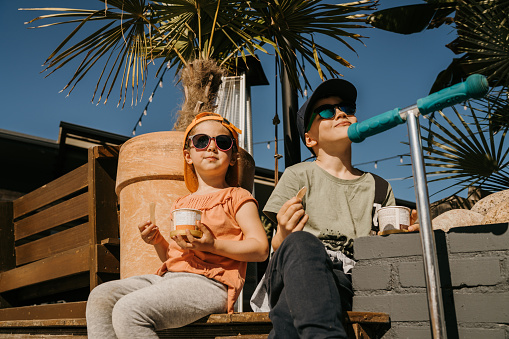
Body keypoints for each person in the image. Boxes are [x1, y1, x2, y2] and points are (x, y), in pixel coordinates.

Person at [250, 79, 418, 338]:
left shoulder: (379, 187)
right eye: (326, 111)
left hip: (345, 279)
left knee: (291, 309)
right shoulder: (298, 175)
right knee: (302, 243)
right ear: (309, 138)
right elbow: (277, 245)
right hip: (292, 267)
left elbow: (383, 250)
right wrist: (284, 231)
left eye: (346, 108)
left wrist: (403, 239)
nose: (340, 113)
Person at [86, 112, 269, 339]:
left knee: (129, 311)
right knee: (101, 297)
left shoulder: (237, 197)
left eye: (222, 143)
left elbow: (261, 249)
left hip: (210, 285)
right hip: (169, 279)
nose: (211, 147)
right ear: (188, 155)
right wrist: (158, 242)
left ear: (232, 157)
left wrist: (213, 245)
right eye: (201, 141)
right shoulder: (181, 204)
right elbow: (175, 260)